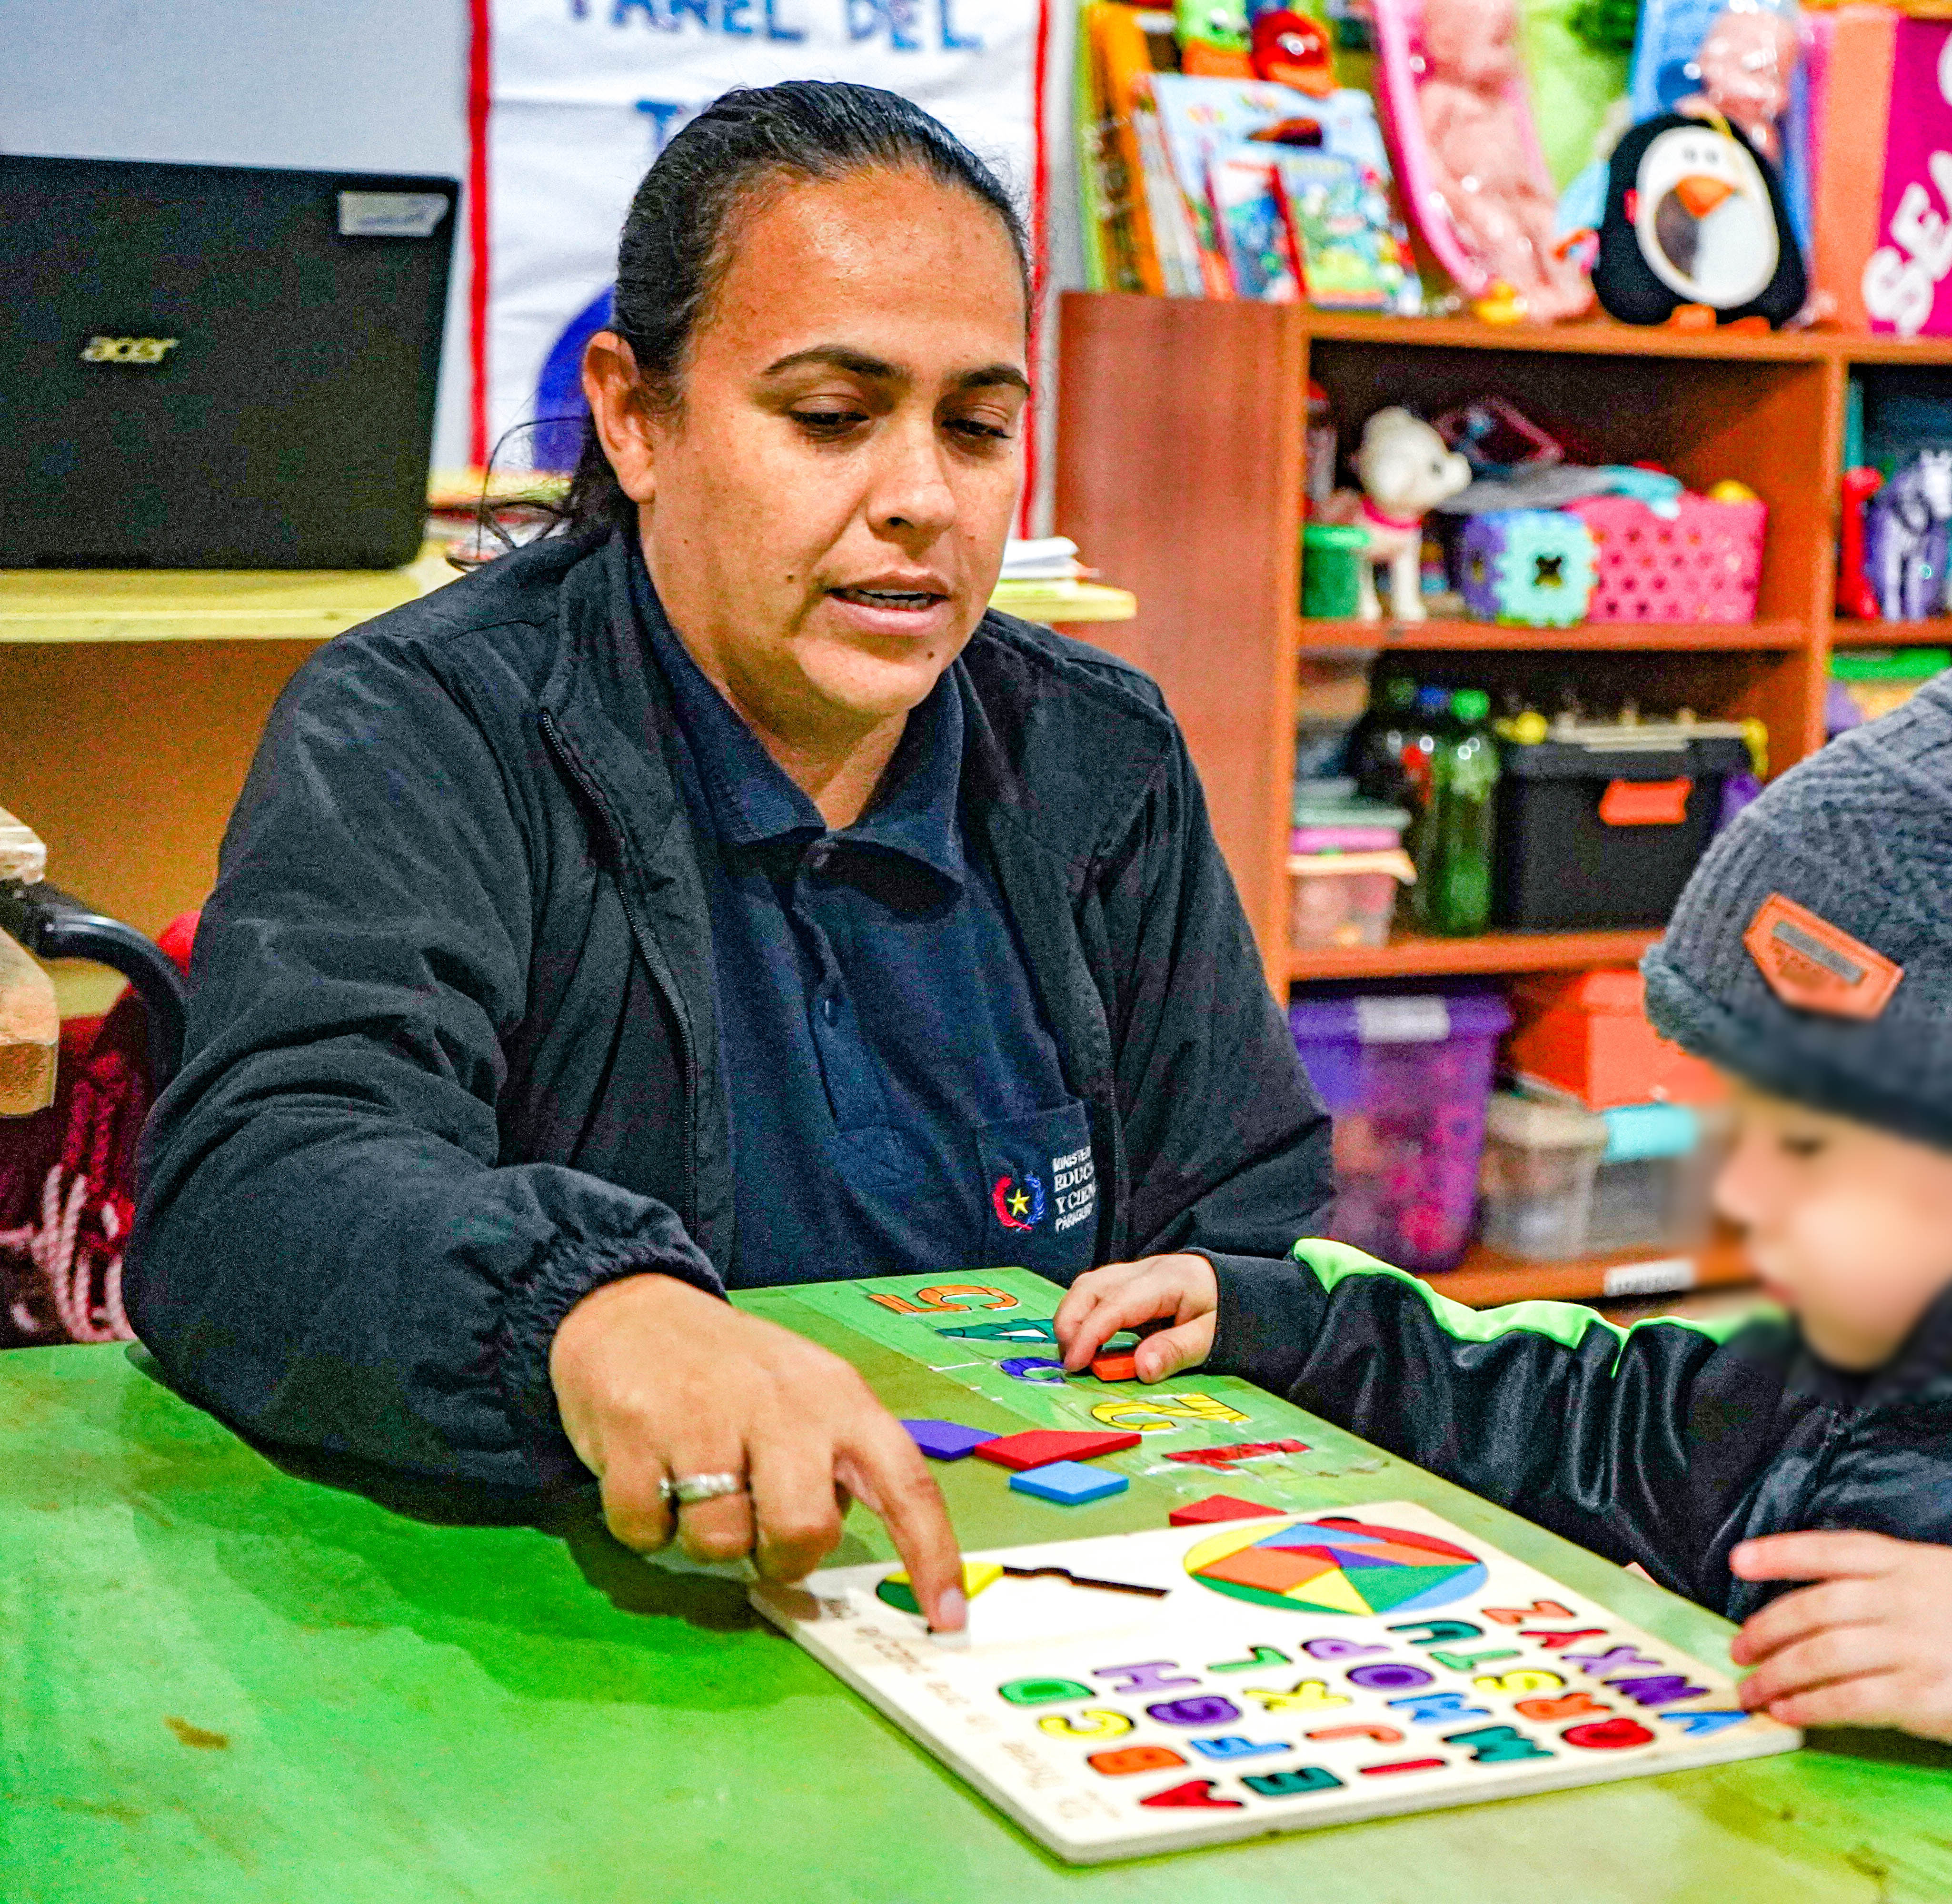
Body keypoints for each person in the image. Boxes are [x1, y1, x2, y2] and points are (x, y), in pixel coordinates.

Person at [1052, 640, 1952, 1904]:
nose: (1746, 1190)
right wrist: (1285, 1312)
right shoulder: (1820, 1376)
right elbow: (1569, 1407)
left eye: (1809, 1146)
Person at [126, 83, 1326, 1637]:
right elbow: (260, 1189)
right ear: (634, 415)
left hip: (1033, 1630)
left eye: (977, 426)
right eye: (831, 417)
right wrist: (591, 1315)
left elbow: (1243, 1221)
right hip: (582, 1647)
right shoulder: (427, 727)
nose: (921, 499)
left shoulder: (1098, 761)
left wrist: (1244, 1335)